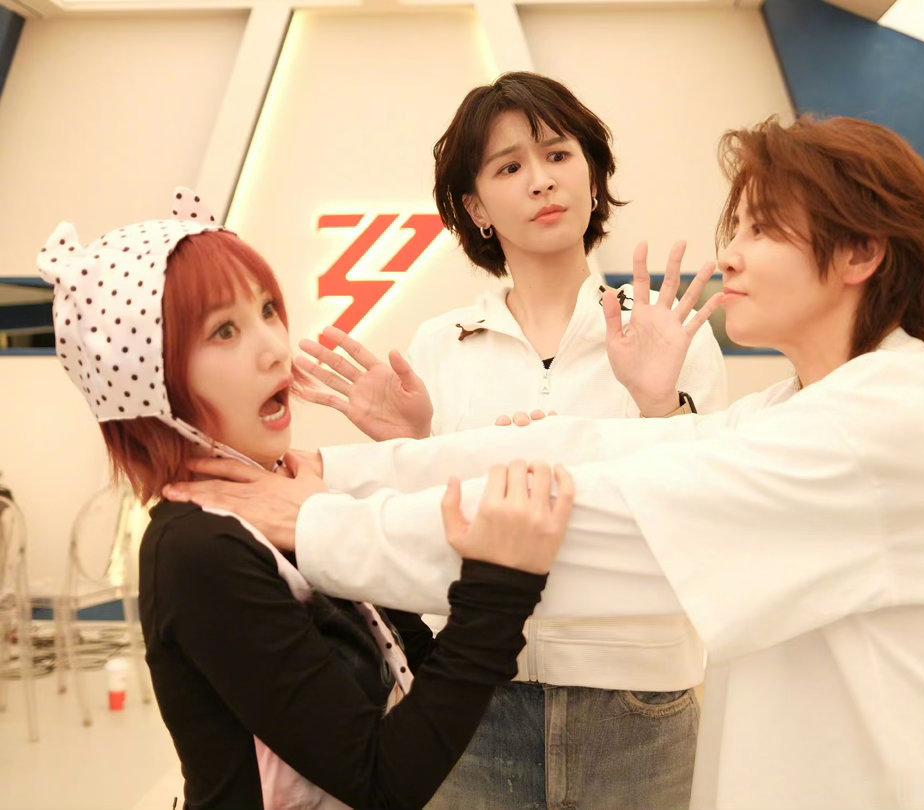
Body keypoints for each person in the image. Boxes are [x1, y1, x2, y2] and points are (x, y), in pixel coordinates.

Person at [167, 117, 924, 809]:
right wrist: (344, 477)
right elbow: (587, 450)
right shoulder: (810, 406)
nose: (728, 255)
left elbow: (604, 522)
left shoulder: (883, 428)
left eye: (760, 230)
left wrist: (322, 524)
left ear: (862, 253)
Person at [37, 190, 574, 810]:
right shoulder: (197, 549)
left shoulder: (282, 498)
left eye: (267, 309)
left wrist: (388, 511)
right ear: (152, 383)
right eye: (224, 331)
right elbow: (380, 780)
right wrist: (499, 586)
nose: (274, 347)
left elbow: (418, 673)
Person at [292, 71, 725, 809]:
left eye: (558, 155)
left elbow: (706, 513)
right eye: (508, 167)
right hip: (473, 699)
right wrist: (417, 446)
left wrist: (658, 405)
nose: (541, 181)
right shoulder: (440, 345)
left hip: (639, 698)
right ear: (475, 207)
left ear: (593, 174)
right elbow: (423, 537)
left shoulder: (665, 330)